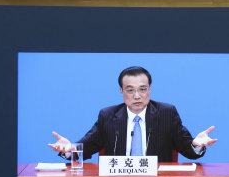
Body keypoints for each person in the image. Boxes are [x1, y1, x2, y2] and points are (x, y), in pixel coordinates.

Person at [48, 66, 217, 162]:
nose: (137, 96)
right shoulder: (108, 116)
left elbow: (188, 150)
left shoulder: (166, 113)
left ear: (150, 89)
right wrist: (70, 150)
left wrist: (196, 144)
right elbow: (87, 147)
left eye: (142, 89)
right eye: (130, 90)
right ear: (121, 91)